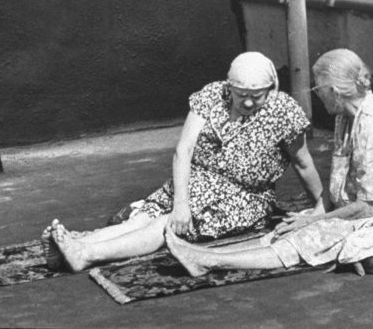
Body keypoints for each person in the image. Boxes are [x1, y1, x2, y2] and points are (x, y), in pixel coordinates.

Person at [45, 51, 324, 273]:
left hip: (244, 197)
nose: (248, 103)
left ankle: (85, 254)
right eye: (242, 96)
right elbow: (184, 150)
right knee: (145, 216)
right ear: (230, 87)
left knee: (167, 224)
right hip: (196, 181)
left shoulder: (284, 112)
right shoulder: (212, 96)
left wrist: (322, 204)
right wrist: (181, 202)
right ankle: (73, 244)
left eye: (257, 97)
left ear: (271, 89)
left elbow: (302, 163)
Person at [164, 48, 373, 277]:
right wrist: (316, 213)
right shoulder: (345, 117)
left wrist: (317, 221)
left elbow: (367, 208)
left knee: (309, 236)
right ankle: (203, 253)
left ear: (335, 91)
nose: (317, 95)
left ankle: (210, 261)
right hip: (358, 208)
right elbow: (339, 180)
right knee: (291, 226)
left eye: (318, 89)